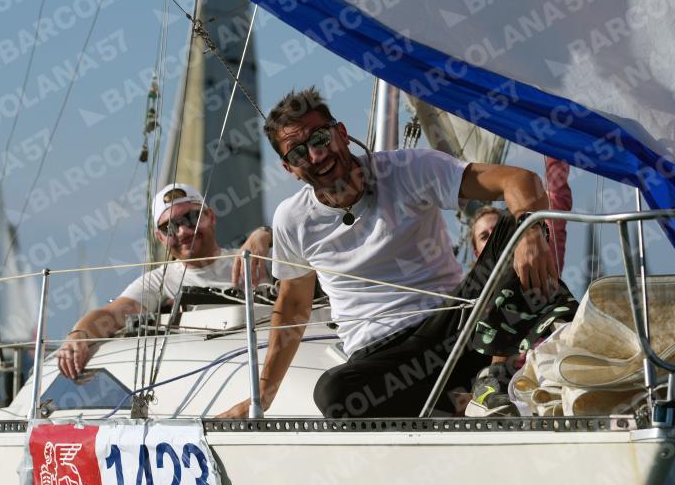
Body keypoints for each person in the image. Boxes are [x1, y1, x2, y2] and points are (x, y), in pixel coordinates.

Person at [218, 87, 577, 419]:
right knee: (333, 392)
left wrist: (531, 231)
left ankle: (496, 377)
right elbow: (294, 307)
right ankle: (459, 400)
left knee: (514, 227)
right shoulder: (292, 219)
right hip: (384, 360)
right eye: (298, 152)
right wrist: (261, 396)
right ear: (290, 169)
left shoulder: (410, 168)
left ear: (341, 133)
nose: (315, 155)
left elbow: (520, 181)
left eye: (320, 138)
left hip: (458, 327)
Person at [57, 182, 272, 379]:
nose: (183, 231)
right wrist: (79, 335)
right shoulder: (159, 281)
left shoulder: (258, 258)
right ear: (160, 237)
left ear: (210, 217)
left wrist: (265, 234)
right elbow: (112, 315)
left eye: (191, 218)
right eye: (169, 228)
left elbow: (291, 240)